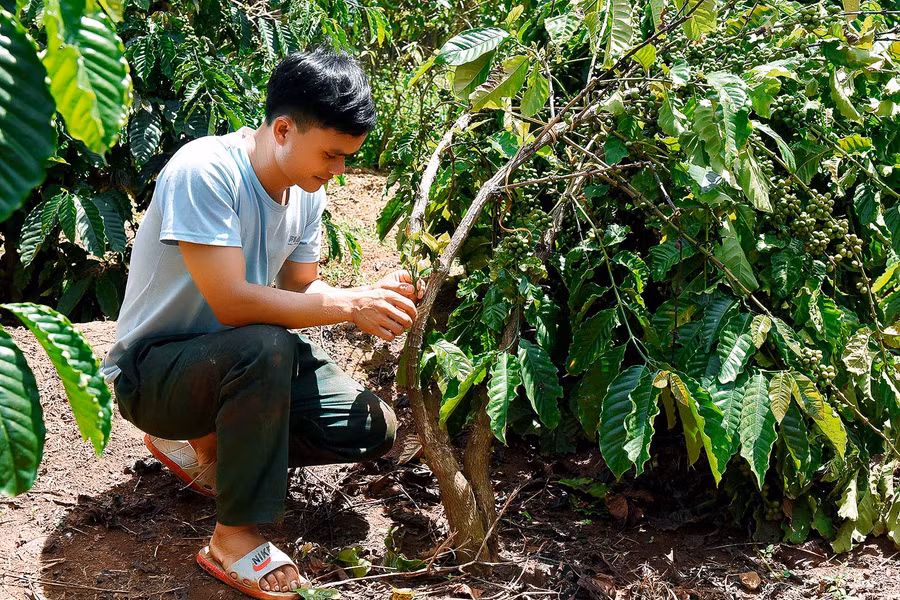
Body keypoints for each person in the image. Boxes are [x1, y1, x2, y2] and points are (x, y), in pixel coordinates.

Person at [100, 49, 420, 600]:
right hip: (153, 374)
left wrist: (367, 297)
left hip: (235, 361)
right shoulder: (205, 170)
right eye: (333, 154)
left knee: (372, 427)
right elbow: (232, 303)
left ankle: (207, 446)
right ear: (282, 129)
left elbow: (302, 285)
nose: (340, 170)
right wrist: (346, 305)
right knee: (266, 347)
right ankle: (232, 537)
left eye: (348, 157)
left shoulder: (305, 190)